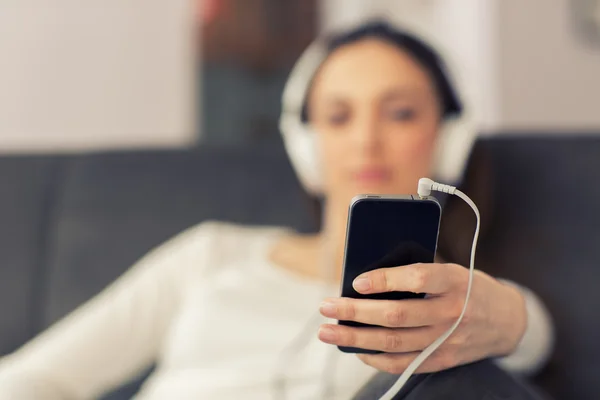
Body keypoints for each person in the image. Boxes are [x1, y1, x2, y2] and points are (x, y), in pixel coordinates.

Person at [0, 20, 553, 400]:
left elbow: (528, 334)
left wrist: (506, 316)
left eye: (401, 113)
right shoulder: (212, 254)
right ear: (305, 143)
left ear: (449, 139)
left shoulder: (455, 303)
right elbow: (29, 379)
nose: (366, 140)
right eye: (338, 116)